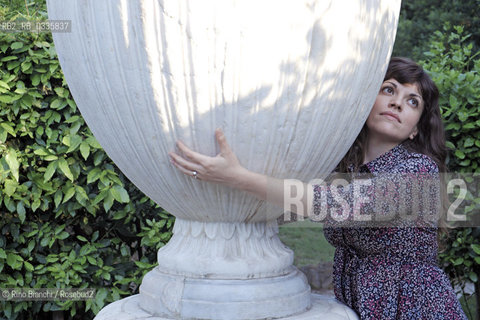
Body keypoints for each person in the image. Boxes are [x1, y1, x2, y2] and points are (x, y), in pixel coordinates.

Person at [168, 57, 467, 319]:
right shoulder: (345, 168)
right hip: (358, 305)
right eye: (388, 89)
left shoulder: (417, 172)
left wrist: (237, 177)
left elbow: (333, 204)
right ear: (366, 101)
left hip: (416, 308)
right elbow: (286, 204)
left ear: (415, 127)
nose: (397, 102)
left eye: (412, 101)